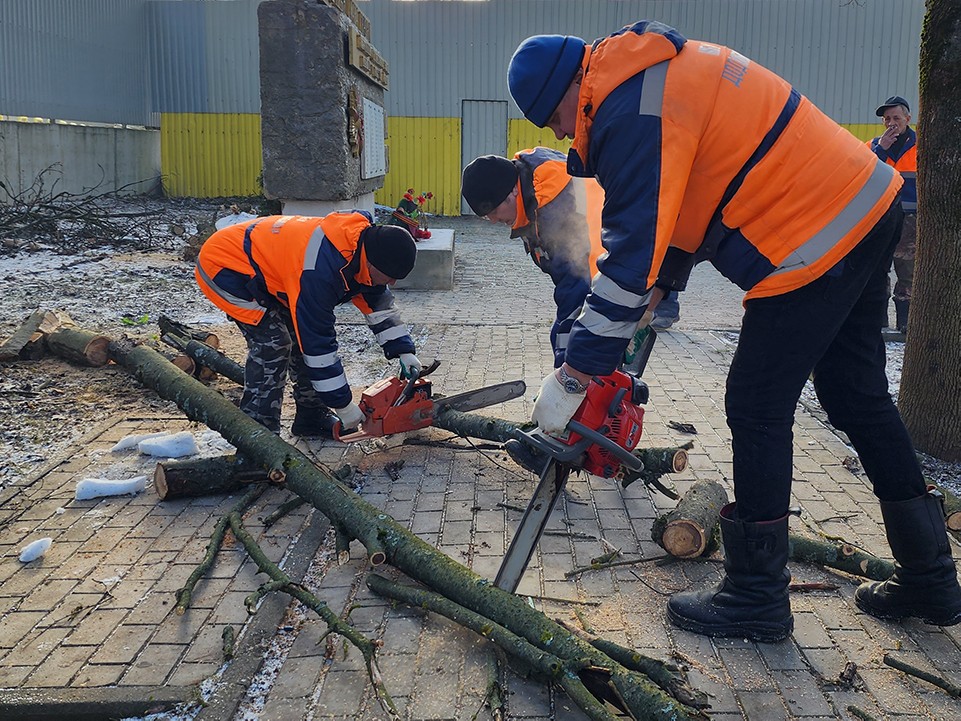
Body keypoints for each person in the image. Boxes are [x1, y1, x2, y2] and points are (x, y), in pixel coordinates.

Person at [507, 22, 961, 642]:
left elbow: (632, 247)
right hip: (865, 206)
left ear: (567, 90)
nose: (557, 134)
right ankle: (932, 581)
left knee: (756, 404)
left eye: (550, 118)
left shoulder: (626, 108)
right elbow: (683, 201)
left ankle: (756, 597)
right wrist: (657, 289)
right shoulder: (644, 77)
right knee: (856, 395)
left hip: (811, 237)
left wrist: (576, 371)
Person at [195, 212, 422, 438]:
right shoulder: (320, 273)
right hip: (227, 267)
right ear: (372, 263)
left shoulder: (365, 251)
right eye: (390, 276)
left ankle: (310, 417)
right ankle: (258, 436)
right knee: (274, 344)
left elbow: (379, 306)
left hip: (275, 273)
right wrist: (342, 404)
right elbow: (318, 344)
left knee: (297, 338)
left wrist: (403, 350)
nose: (392, 282)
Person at [462, 149, 679, 357]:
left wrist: (566, 372)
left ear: (512, 191)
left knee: (578, 346)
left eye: (494, 211)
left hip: (615, 277)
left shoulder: (551, 205)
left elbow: (574, 285)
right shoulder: (531, 189)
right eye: (485, 216)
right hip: (607, 276)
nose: (493, 220)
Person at [868, 95, 917, 334]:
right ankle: (878, 321)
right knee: (877, 269)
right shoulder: (873, 146)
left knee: (908, 271)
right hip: (881, 216)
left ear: (908, 118)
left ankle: (906, 324)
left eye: (896, 117)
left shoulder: (923, 146)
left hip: (911, 220)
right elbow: (860, 169)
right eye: (887, 119)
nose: (891, 123)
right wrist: (880, 149)